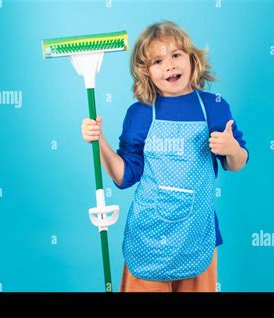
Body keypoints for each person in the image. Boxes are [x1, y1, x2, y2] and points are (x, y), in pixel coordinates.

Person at [81, 21, 249, 292]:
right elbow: (125, 177)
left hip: (197, 236)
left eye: (176, 55)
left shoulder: (214, 107)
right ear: (145, 72)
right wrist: (99, 141)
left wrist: (232, 149)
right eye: (157, 61)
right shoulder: (141, 113)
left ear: (192, 59)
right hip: (148, 237)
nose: (169, 65)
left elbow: (237, 163)